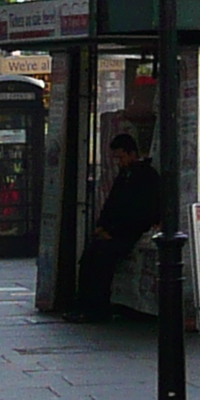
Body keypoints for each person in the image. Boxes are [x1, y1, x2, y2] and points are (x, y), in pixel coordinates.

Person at [66, 133, 163, 320]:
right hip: (115, 231)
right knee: (89, 257)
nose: (119, 162)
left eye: (121, 157)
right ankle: (83, 305)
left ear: (132, 153)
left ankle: (97, 308)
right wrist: (102, 226)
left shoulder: (147, 176)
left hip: (129, 233)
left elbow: (142, 212)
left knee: (102, 259)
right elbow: (111, 203)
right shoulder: (124, 175)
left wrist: (113, 232)